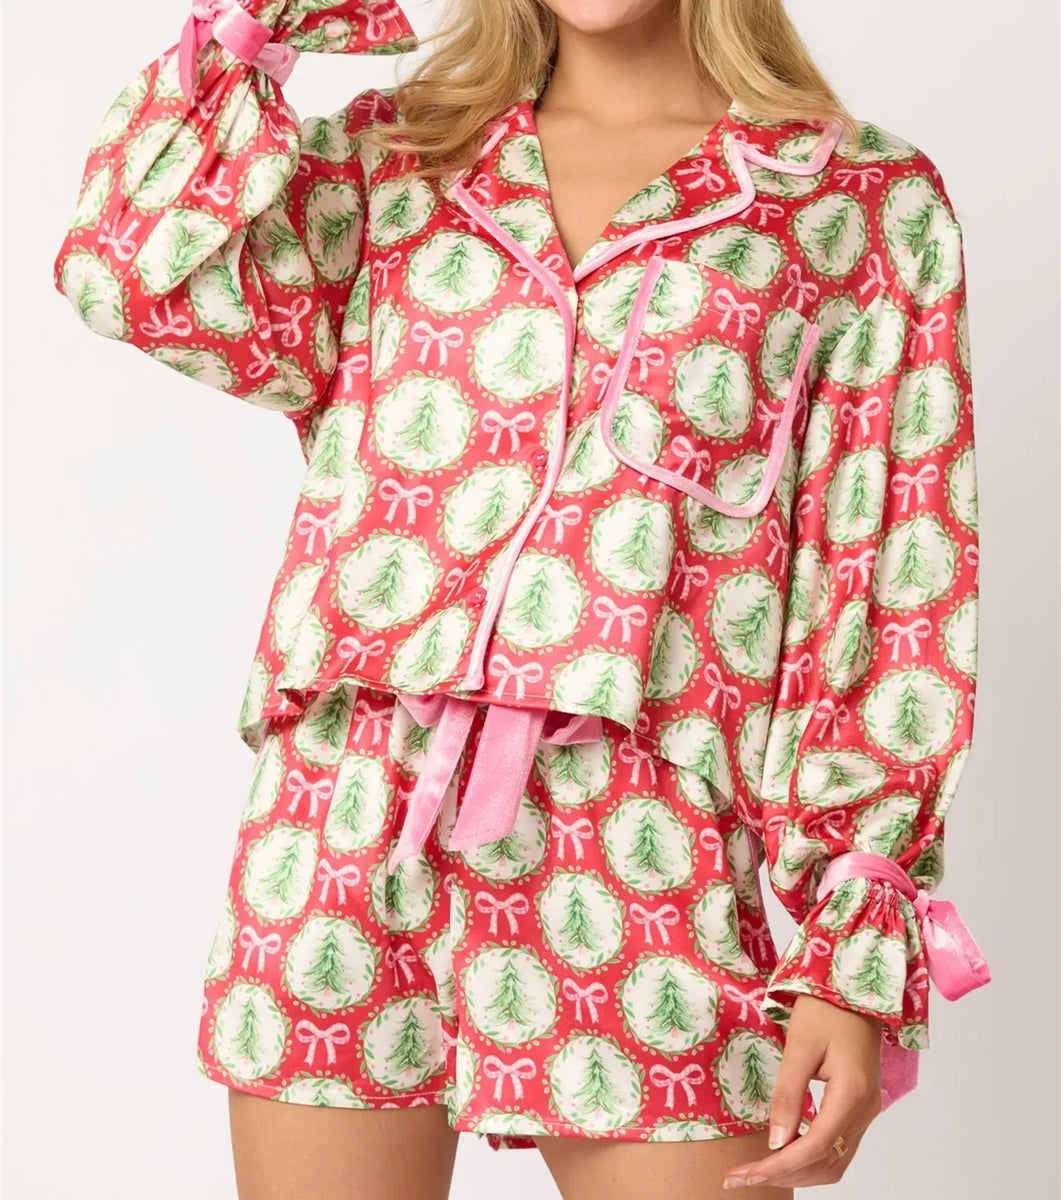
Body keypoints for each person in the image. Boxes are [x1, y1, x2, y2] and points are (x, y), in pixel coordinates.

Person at [52, 0, 992, 1196]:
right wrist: (266, 19)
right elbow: (130, 274)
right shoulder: (391, 161)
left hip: (644, 846)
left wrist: (848, 952)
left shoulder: (856, 204)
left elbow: (890, 575)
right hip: (345, 827)